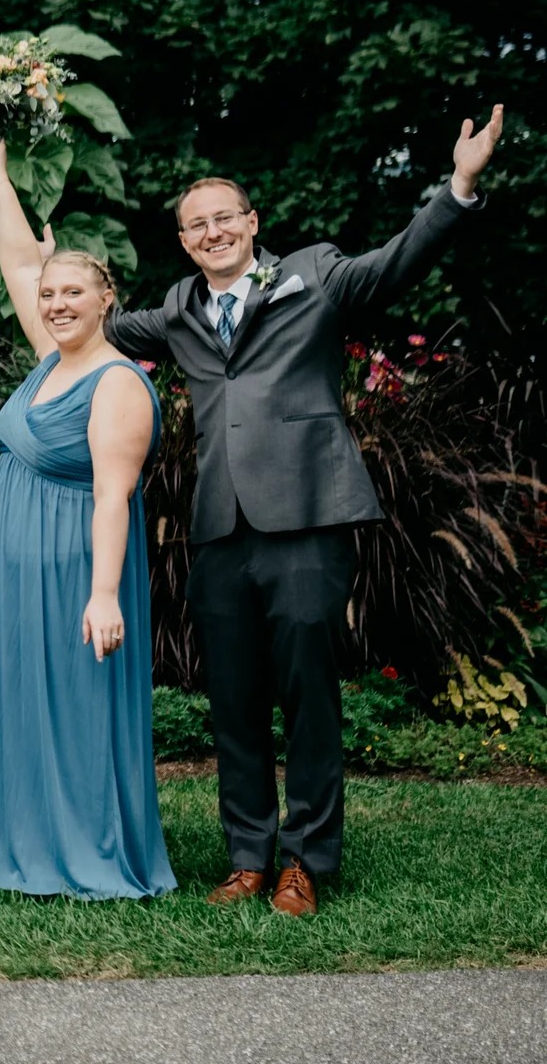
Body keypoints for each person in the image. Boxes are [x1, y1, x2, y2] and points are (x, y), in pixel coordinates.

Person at [108, 106, 504, 917]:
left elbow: (397, 264)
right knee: (235, 700)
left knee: (309, 695)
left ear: (252, 223)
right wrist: (48, 276)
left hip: (308, 522)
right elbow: (97, 329)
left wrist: (457, 186)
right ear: (184, 243)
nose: (213, 232)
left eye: (225, 218)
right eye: (197, 226)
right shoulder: (179, 309)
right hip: (219, 530)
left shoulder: (317, 274)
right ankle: (248, 856)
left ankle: (306, 861)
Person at [0, 136, 173, 900]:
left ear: (108, 299)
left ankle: (75, 845)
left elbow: (112, 495)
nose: (56, 302)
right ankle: (5, 837)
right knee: (13, 698)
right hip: (9, 562)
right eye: (51, 294)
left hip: (72, 564)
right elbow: (18, 264)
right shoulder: (51, 358)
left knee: (69, 707)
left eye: (74, 292)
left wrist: (103, 594)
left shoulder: (116, 382)